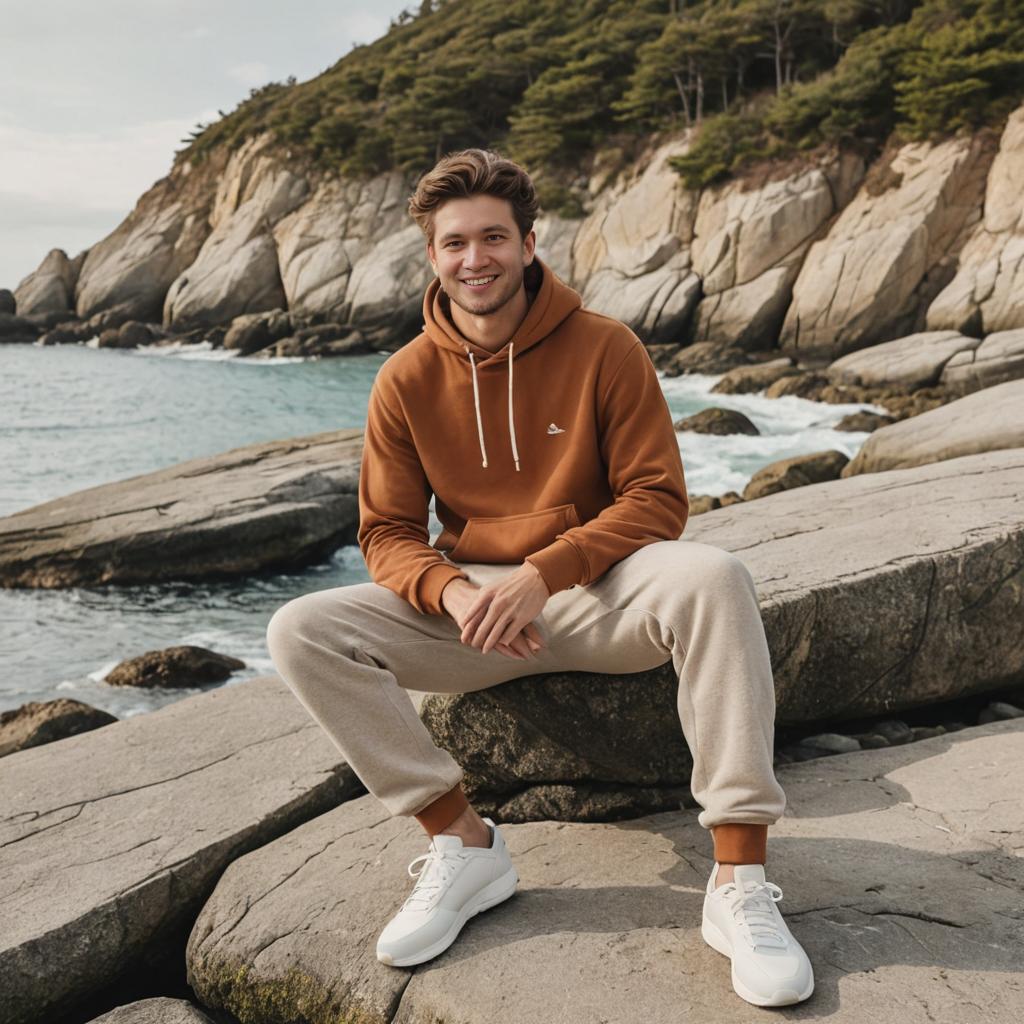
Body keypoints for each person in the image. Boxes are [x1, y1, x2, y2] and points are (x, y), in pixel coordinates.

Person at [266, 148, 814, 1007]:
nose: (473, 258)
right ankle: (465, 844)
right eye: (454, 243)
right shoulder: (404, 379)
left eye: (492, 238)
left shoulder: (606, 347)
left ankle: (739, 879)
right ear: (432, 256)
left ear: (528, 242)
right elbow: (387, 533)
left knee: (714, 575)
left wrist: (541, 576)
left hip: (598, 593)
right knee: (300, 629)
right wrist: (456, 592)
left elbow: (657, 499)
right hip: (473, 618)